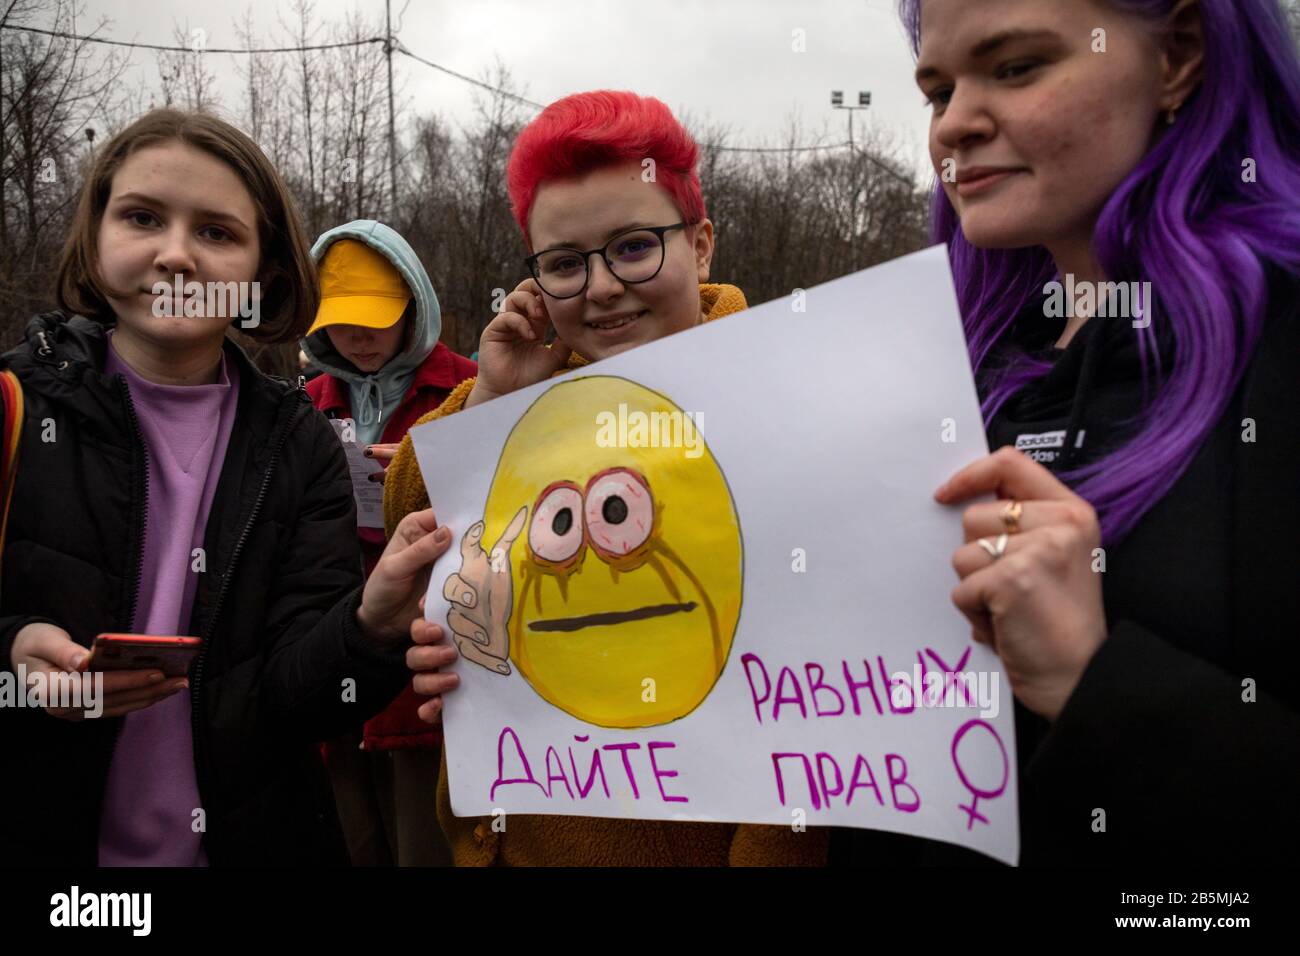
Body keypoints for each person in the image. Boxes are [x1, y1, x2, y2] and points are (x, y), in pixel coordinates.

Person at [833, 0, 1299, 866]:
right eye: (938, 90)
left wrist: (1096, 683)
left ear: (1180, 55)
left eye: (1015, 68)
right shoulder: (945, 371)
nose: (956, 125)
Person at [385, 90, 826, 866]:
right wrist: (492, 400)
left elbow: (818, 703)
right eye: (564, 263)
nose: (599, 287)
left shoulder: (781, 404)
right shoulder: (530, 390)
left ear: (701, 245)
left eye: (632, 247)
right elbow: (413, 517)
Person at [0, 109, 451, 866]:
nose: (175, 255)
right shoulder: (13, 406)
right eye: (142, 216)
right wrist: (10, 650)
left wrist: (369, 628)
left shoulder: (298, 443)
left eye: (216, 232)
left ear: (263, 273)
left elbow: (293, 699)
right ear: (94, 233)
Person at [301, 221, 476, 866]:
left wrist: (427, 467)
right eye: (342, 320)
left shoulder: (469, 387)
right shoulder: (304, 406)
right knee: (352, 840)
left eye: (378, 317)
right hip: (333, 652)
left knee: (426, 843)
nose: (360, 337)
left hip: (433, 668)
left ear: (415, 306)